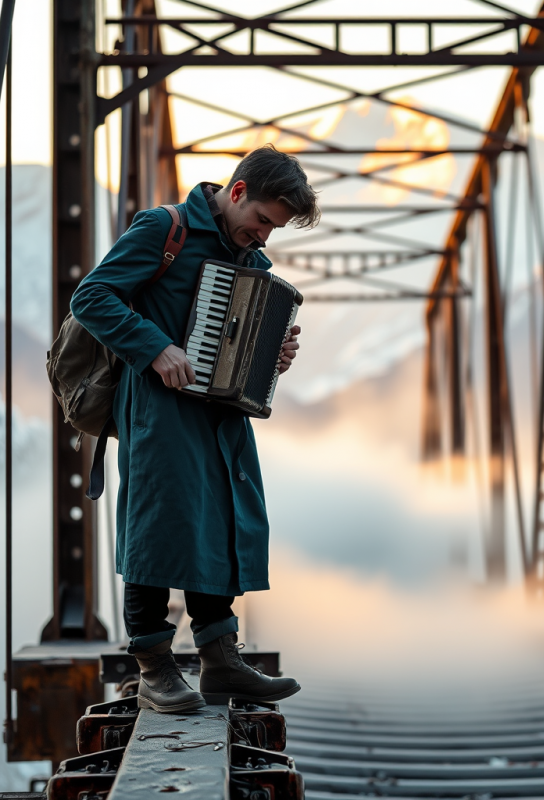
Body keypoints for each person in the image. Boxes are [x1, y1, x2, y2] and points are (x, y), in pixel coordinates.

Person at [71, 144, 319, 712]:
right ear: (236, 194)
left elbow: (244, 339)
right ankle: (155, 665)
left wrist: (272, 354)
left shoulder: (252, 260)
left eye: (274, 230)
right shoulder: (165, 227)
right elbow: (92, 297)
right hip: (159, 408)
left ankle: (219, 660)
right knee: (157, 525)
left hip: (222, 414)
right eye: (262, 221)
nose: (264, 238)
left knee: (226, 520)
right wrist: (155, 347)